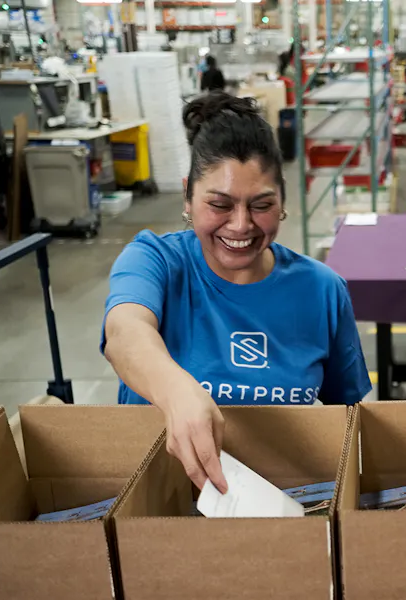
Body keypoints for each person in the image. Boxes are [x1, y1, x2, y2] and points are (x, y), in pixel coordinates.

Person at [101, 92, 371, 492]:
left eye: (261, 205)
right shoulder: (155, 261)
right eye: (220, 205)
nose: (241, 225)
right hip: (162, 504)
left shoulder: (321, 291)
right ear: (188, 198)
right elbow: (124, 335)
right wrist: (176, 391)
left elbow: (349, 420)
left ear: (281, 202)